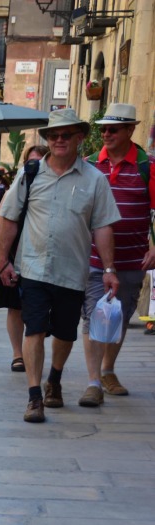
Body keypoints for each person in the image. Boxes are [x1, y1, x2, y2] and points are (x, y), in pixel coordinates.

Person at [0, 108, 120, 423]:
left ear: (79, 138)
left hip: (73, 271)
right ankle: (35, 397)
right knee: (34, 328)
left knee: (65, 333)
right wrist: (1, 262)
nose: (59, 140)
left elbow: (102, 227)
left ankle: (55, 378)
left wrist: (110, 269)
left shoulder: (95, 180)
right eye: (53, 135)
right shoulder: (31, 173)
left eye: (66, 135)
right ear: (47, 139)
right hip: (32, 268)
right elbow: (7, 219)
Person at [77, 103, 155, 407]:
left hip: (133, 258)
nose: (106, 134)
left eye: (113, 129)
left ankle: (108, 369)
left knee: (119, 317)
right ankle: (94, 381)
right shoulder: (89, 165)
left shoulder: (147, 167)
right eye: (103, 129)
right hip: (94, 259)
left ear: (130, 130)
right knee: (93, 316)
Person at [0, 145, 47, 374]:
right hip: (13, 257)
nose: (35, 168)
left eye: (40, 163)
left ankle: (33, 350)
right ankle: (18, 354)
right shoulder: (15, 191)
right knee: (15, 306)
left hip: (42, 256)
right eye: (31, 163)